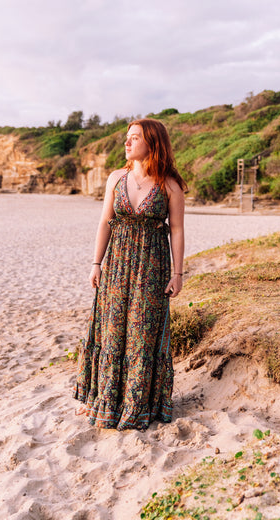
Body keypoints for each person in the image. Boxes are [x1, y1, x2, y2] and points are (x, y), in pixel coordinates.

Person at [73, 118, 186, 431]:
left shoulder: (170, 186)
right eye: (127, 137)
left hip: (152, 267)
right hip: (117, 265)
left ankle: (140, 404)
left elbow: (176, 230)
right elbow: (104, 222)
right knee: (111, 329)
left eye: (134, 138)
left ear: (153, 142)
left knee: (142, 333)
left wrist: (178, 273)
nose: (127, 143)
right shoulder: (115, 178)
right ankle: (102, 398)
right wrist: (96, 263)